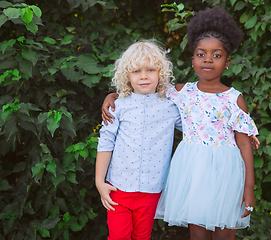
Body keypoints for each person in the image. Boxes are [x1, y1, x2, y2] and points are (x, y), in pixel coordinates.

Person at [102, 7, 260, 240]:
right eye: (201, 54)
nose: (208, 59)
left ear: (227, 62)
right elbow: (142, 91)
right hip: (192, 171)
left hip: (225, 172)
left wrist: (248, 188)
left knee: (225, 234)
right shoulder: (181, 93)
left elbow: (244, 145)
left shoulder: (234, 99)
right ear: (192, 58)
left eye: (216, 55)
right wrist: (112, 97)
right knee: (197, 234)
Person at [95, 40, 182, 240]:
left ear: (161, 73)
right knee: (118, 237)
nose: (143, 76)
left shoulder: (170, 108)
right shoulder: (118, 106)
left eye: (150, 69)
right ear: (127, 76)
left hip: (152, 189)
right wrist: (100, 182)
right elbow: (106, 143)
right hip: (118, 188)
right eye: (136, 71)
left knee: (142, 237)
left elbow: (196, 129)